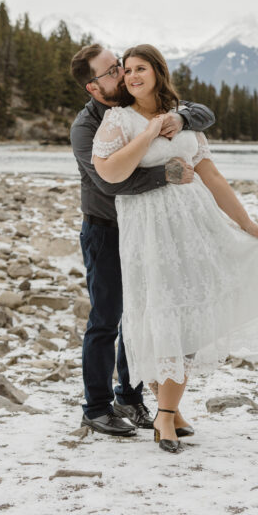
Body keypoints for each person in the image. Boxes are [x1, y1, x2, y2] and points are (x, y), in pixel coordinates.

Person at [92, 44, 258, 453]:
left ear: (158, 71)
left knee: (185, 315)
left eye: (140, 68)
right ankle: (169, 411)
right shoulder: (117, 119)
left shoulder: (183, 117)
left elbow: (212, 176)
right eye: (127, 70)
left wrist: (245, 222)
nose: (132, 76)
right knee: (156, 315)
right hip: (146, 232)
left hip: (192, 228)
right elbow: (109, 173)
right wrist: (148, 133)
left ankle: (168, 412)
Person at [69, 44, 216, 437]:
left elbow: (204, 113)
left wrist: (182, 118)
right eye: (111, 71)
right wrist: (168, 174)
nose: (121, 74)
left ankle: (131, 398)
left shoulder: (148, 104)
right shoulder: (87, 127)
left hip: (149, 230)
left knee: (147, 313)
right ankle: (96, 407)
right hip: (105, 228)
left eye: (120, 66)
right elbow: (109, 180)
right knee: (107, 318)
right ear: (93, 87)